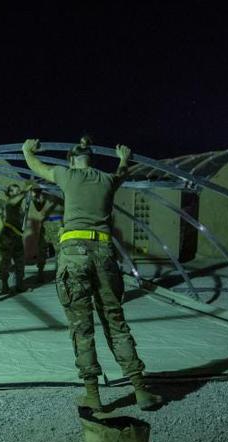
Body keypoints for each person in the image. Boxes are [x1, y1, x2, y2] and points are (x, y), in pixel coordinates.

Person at [22, 137, 162, 412]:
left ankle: (93, 395)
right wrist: (123, 157)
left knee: (81, 327)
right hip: (104, 253)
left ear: (72, 160)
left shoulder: (67, 174)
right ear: (93, 161)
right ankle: (140, 390)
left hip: (74, 253)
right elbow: (123, 173)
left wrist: (27, 151)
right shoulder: (108, 180)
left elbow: (37, 167)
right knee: (115, 321)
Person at [0, 183, 33, 294]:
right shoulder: (10, 202)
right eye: (15, 191)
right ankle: (4, 285)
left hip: (17, 236)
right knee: (6, 262)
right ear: (9, 193)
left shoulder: (19, 206)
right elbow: (18, 198)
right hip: (7, 236)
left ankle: (19, 284)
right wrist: (25, 190)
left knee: (20, 261)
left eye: (19, 190)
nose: (18, 193)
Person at [32, 183, 65, 282]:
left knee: (59, 250)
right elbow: (39, 208)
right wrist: (34, 197)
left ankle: (60, 274)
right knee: (42, 248)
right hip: (47, 222)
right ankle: (40, 273)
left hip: (58, 222)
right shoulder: (44, 192)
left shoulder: (61, 190)